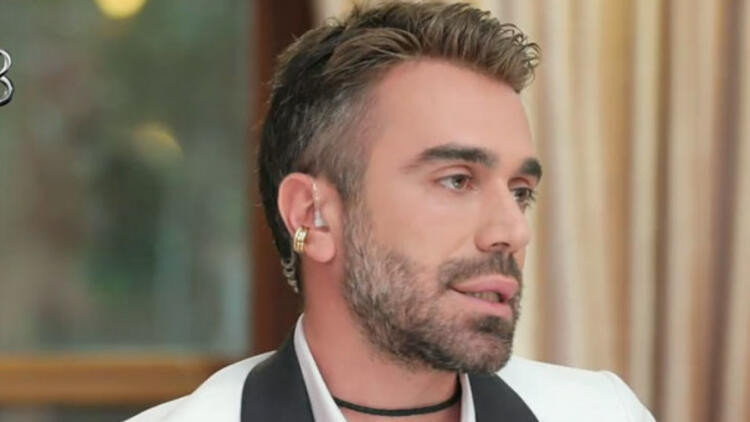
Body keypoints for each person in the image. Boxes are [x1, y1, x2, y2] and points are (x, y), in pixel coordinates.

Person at [129, 1, 656, 421]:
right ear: (312, 215)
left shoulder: (599, 413)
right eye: (457, 180)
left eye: (520, 192)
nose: (514, 231)